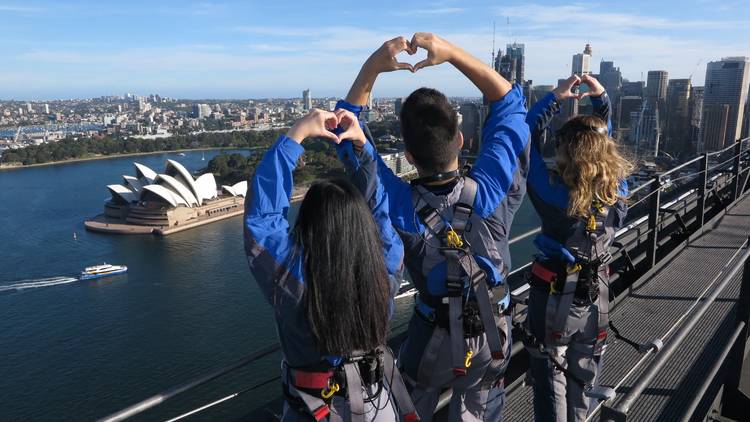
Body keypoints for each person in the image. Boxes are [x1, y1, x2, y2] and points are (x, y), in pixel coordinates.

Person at [335, 33, 530, 422]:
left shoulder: (398, 205)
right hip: (494, 334)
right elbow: (510, 105)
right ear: (460, 139)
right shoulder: (491, 190)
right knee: (479, 406)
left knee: (410, 404)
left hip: (432, 340)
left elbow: (347, 133)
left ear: (408, 156)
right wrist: (453, 53)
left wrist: (374, 65)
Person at [244, 108, 418, 422]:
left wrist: (295, 135)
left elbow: (263, 222)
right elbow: (379, 211)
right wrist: (363, 150)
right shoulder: (386, 265)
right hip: (377, 404)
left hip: (314, 411)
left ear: (308, 226)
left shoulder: (294, 280)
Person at [523, 74, 633, 421]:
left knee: (550, 376)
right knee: (583, 378)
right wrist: (603, 103)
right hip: (597, 297)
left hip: (553, 300)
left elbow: (525, 139)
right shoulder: (618, 194)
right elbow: (602, 141)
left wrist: (554, 97)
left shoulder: (554, 197)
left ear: (566, 152)